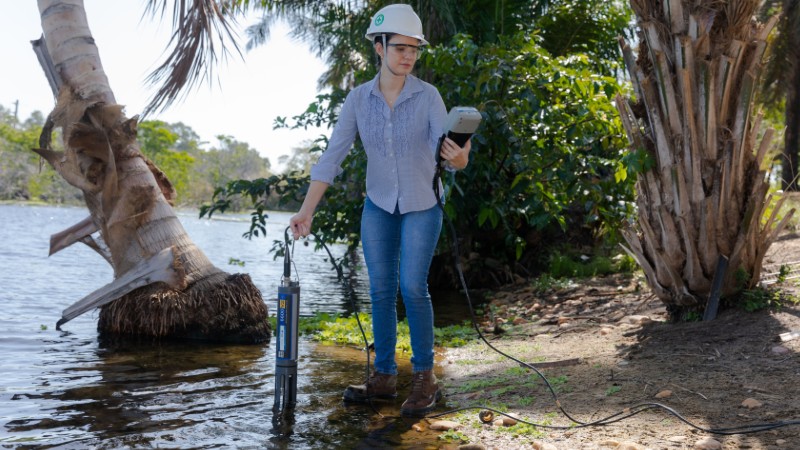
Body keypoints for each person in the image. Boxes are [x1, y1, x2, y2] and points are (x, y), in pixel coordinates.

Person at [289, 3, 472, 417]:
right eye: (400, 48)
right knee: (381, 291)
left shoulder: (429, 97)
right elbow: (331, 158)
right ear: (379, 46)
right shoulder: (357, 99)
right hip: (378, 206)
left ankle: (425, 380)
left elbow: (449, 151)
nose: (408, 56)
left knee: (412, 287)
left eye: (414, 49)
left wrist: (459, 158)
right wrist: (307, 211)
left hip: (423, 204)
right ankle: (385, 377)